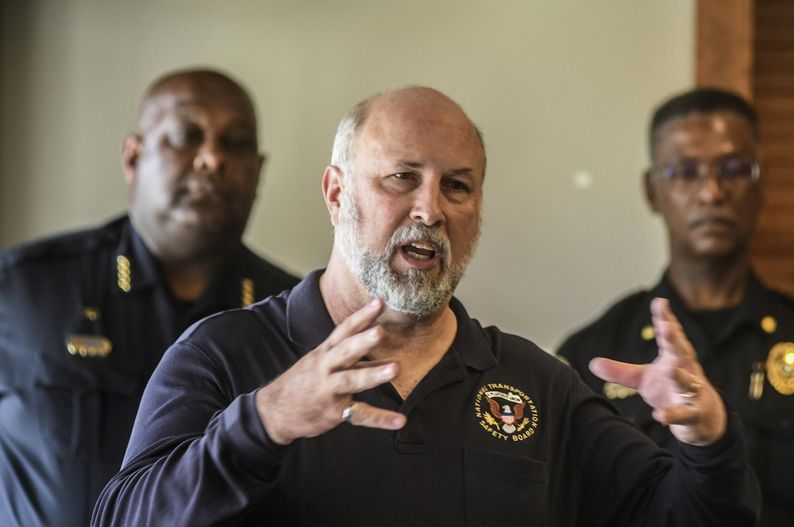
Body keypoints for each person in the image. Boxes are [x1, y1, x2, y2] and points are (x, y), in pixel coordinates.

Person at [93, 86, 759, 526]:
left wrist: (708, 443)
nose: (429, 209)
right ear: (336, 193)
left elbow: (683, 516)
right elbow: (122, 516)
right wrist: (262, 423)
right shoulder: (225, 353)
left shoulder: (536, 385)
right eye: (402, 178)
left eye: (457, 187)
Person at [559, 88, 794, 527]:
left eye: (734, 169)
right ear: (652, 190)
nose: (712, 192)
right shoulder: (592, 359)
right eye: (685, 172)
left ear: (762, 182)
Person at [0, 68, 300, 526]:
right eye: (185, 137)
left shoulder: (294, 316)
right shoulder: (25, 289)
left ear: (258, 172)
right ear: (133, 157)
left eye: (236, 143)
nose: (212, 159)